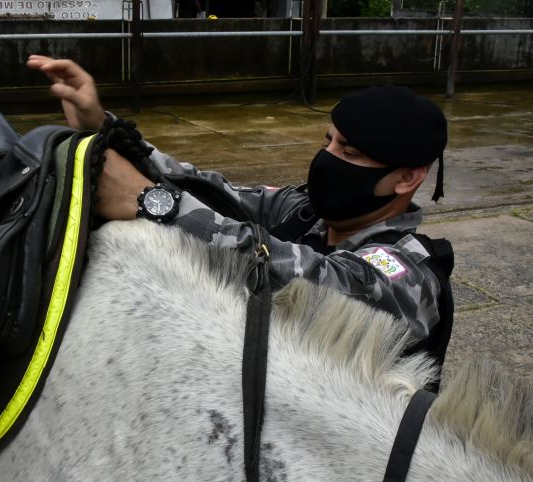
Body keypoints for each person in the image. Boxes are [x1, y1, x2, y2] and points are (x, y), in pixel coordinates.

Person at [27, 55, 453, 373]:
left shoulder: (411, 272)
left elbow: (321, 281)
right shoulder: (303, 211)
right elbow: (212, 191)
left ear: (406, 179)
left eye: (350, 152)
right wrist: (105, 127)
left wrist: (153, 202)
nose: (328, 159)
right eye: (329, 141)